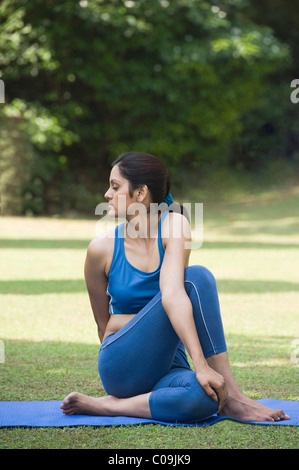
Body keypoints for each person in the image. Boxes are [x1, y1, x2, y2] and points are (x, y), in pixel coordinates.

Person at [61, 152, 289, 423]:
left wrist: (199, 368)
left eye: (115, 185)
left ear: (141, 192)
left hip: (170, 365)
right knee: (197, 279)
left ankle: (110, 406)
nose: (107, 194)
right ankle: (236, 399)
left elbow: (172, 295)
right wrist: (138, 334)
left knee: (208, 396)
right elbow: (105, 327)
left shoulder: (174, 225)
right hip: (123, 365)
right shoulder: (101, 249)